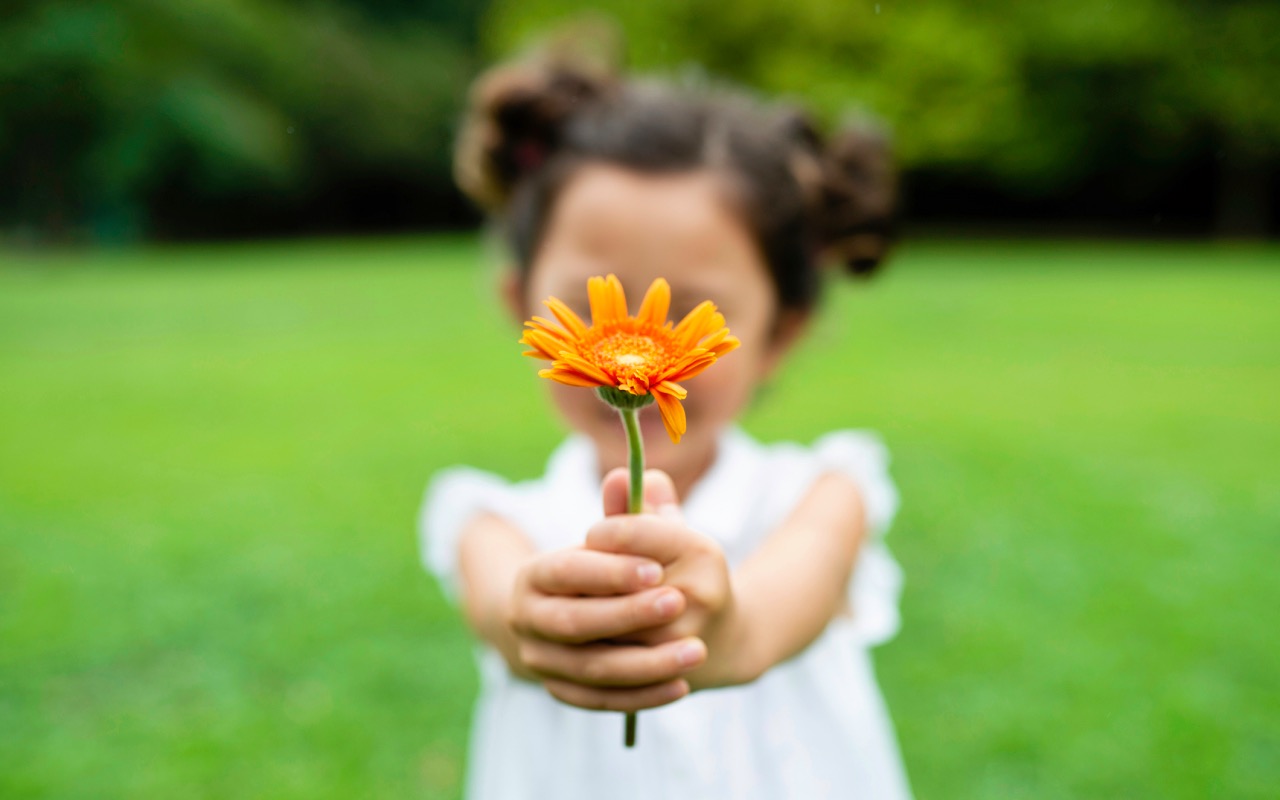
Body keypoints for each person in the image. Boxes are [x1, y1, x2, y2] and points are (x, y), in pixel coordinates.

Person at [421, 53, 911, 799]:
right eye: (587, 308)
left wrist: (726, 635)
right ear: (523, 304)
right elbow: (504, 611)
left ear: (781, 332)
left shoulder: (822, 496)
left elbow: (778, 608)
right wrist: (539, 624)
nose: (631, 351)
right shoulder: (491, 521)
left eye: (686, 315)